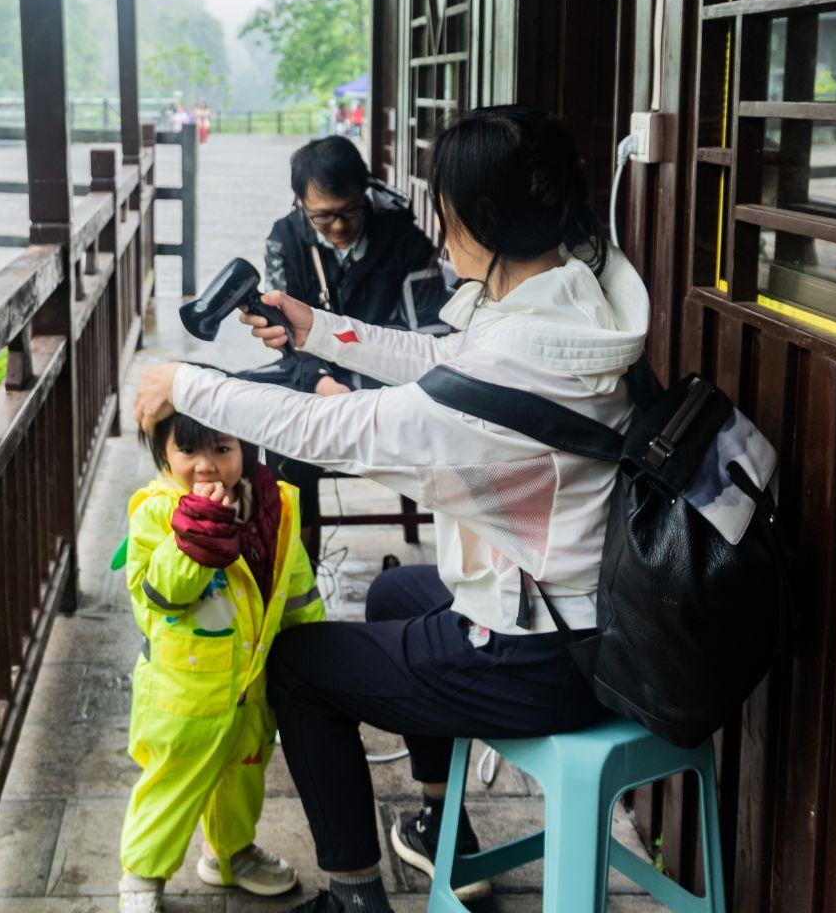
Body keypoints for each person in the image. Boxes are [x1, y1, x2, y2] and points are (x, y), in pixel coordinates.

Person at [133, 105, 649, 913]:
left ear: (477, 219)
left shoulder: (522, 355)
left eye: (446, 212)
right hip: (597, 613)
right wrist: (318, 330)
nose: (439, 233)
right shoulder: (569, 300)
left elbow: (340, 429)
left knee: (300, 670)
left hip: (545, 658)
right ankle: (445, 819)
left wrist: (188, 384)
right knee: (394, 593)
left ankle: (352, 893)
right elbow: (444, 359)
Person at [116, 408, 327, 912]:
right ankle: (142, 876)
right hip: (183, 693)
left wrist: (315, 648)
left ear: (246, 447)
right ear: (163, 454)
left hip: (251, 684)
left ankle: (231, 853)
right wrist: (195, 536)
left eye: (222, 449)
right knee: (172, 783)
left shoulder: (273, 509)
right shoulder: (154, 512)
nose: (207, 466)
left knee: (243, 777)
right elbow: (160, 596)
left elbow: (294, 588)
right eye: (188, 451)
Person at [240, 137, 452, 495]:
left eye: (350, 210)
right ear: (300, 201)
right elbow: (286, 335)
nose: (339, 226)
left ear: (365, 194)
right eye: (323, 216)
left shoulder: (406, 241)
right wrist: (320, 382)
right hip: (314, 368)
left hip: (388, 376)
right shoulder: (285, 240)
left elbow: (431, 335)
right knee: (270, 421)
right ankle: (298, 545)